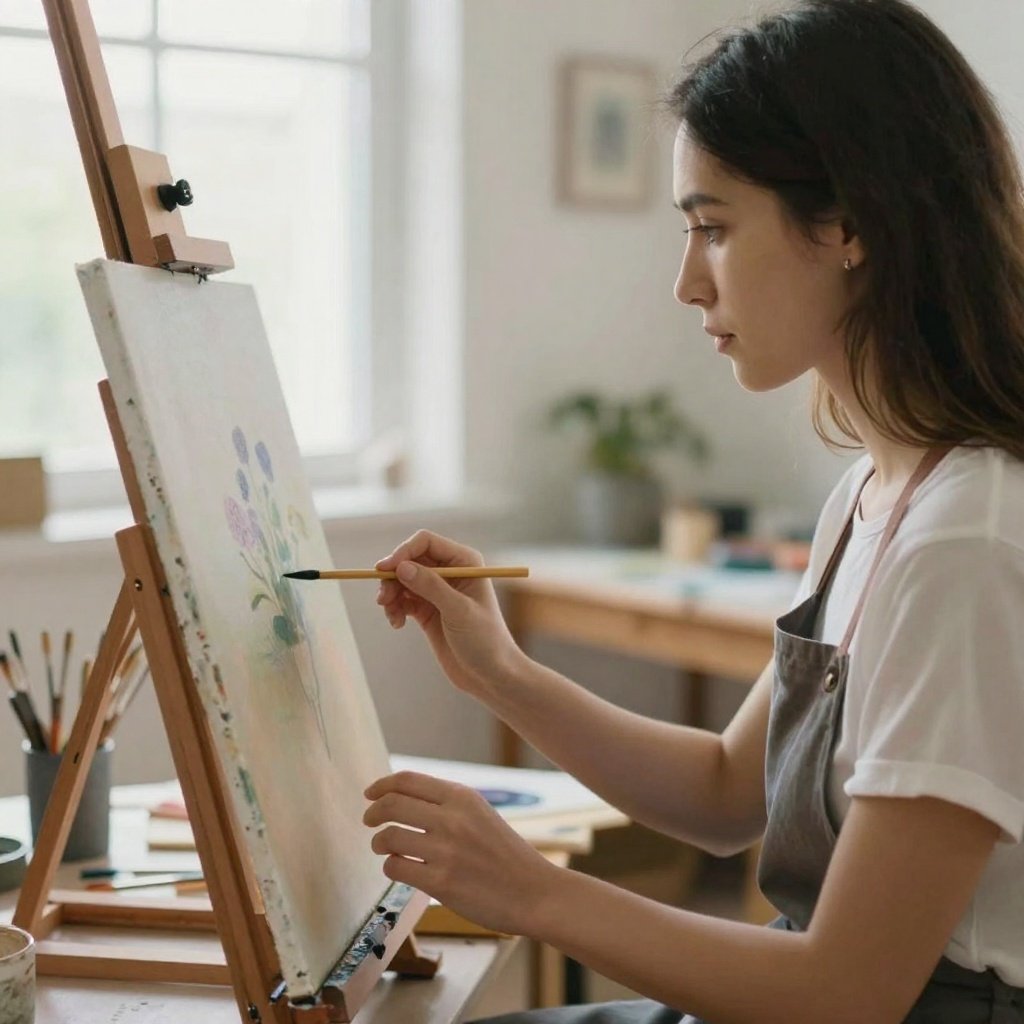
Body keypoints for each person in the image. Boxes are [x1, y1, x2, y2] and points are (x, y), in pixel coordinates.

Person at [362, 1, 1024, 1020]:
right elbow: (724, 793)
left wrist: (530, 891)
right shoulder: (873, 494)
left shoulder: (967, 540)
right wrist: (504, 674)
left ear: (848, 224)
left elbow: (847, 993)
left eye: (712, 228)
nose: (684, 283)